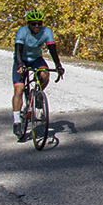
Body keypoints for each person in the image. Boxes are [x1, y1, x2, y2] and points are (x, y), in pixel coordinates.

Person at [12, 9, 65, 140]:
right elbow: (17, 49)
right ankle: (17, 121)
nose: (37, 26)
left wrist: (58, 65)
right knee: (19, 90)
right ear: (29, 24)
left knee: (45, 74)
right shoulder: (22, 31)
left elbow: (52, 49)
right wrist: (19, 64)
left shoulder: (46, 31)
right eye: (34, 24)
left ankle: (37, 95)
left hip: (36, 59)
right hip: (22, 59)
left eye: (39, 23)